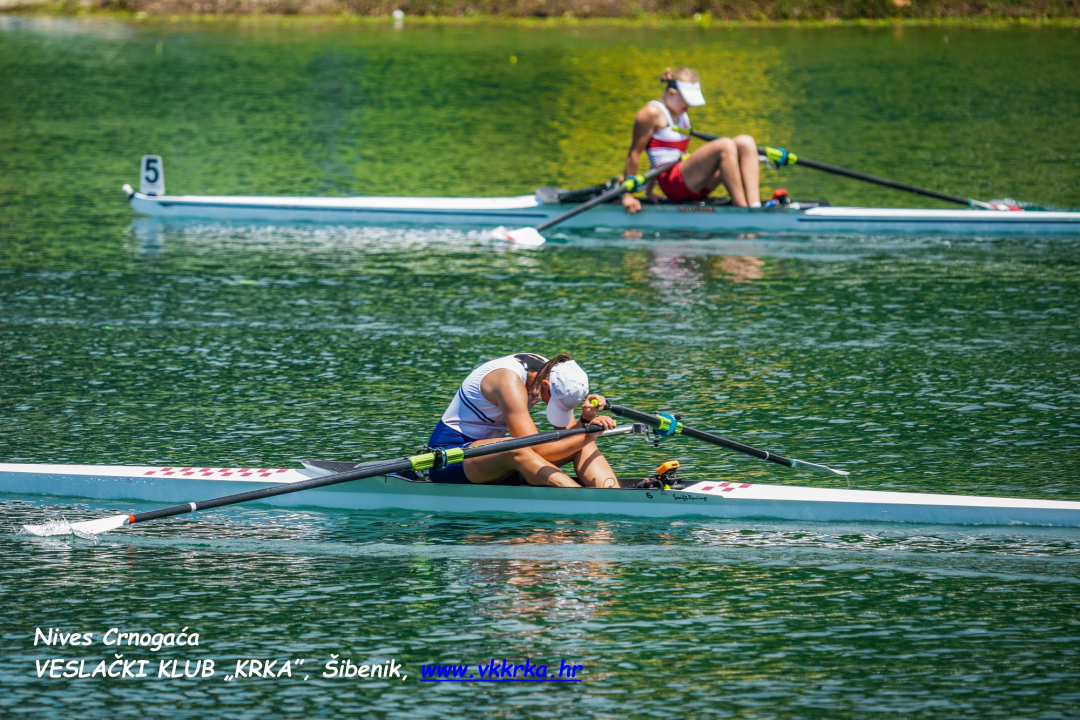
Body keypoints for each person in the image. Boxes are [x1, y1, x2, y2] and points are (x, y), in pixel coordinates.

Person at [426, 353, 620, 487]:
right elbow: (534, 448)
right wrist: (587, 435)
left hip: (495, 461)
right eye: (552, 401)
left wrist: (586, 421)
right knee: (517, 449)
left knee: (583, 441)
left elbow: (569, 435)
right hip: (452, 458)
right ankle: (579, 499)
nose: (547, 404)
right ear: (545, 385)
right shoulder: (507, 381)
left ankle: (611, 495)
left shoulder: (552, 372)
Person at [622, 67, 761, 213]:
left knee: (746, 142)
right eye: (687, 100)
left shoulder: (681, 112)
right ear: (671, 93)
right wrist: (628, 196)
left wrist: (649, 192)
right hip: (674, 185)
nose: (689, 105)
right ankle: (742, 209)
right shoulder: (650, 113)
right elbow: (634, 154)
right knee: (725, 145)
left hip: (693, 182)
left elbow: (659, 154)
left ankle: (755, 206)